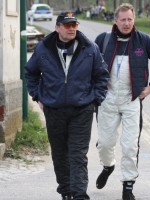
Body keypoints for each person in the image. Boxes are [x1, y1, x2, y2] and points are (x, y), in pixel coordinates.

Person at [25, 11, 109, 200]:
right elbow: (30, 73)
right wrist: (38, 96)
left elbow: (102, 75)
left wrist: (96, 99)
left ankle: (79, 194)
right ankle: (66, 192)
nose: (72, 29)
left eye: (74, 25)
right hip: (54, 110)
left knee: (78, 154)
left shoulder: (90, 48)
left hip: (82, 109)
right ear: (58, 28)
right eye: (67, 25)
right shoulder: (43, 49)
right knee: (60, 154)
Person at [95, 3, 150, 200]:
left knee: (130, 146)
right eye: (123, 19)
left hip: (132, 101)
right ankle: (108, 166)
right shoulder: (103, 40)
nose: (127, 23)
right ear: (116, 21)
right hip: (107, 100)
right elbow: (88, 65)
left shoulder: (143, 41)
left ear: (134, 20)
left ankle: (128, 186)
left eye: (130, 19)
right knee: (104, 143)